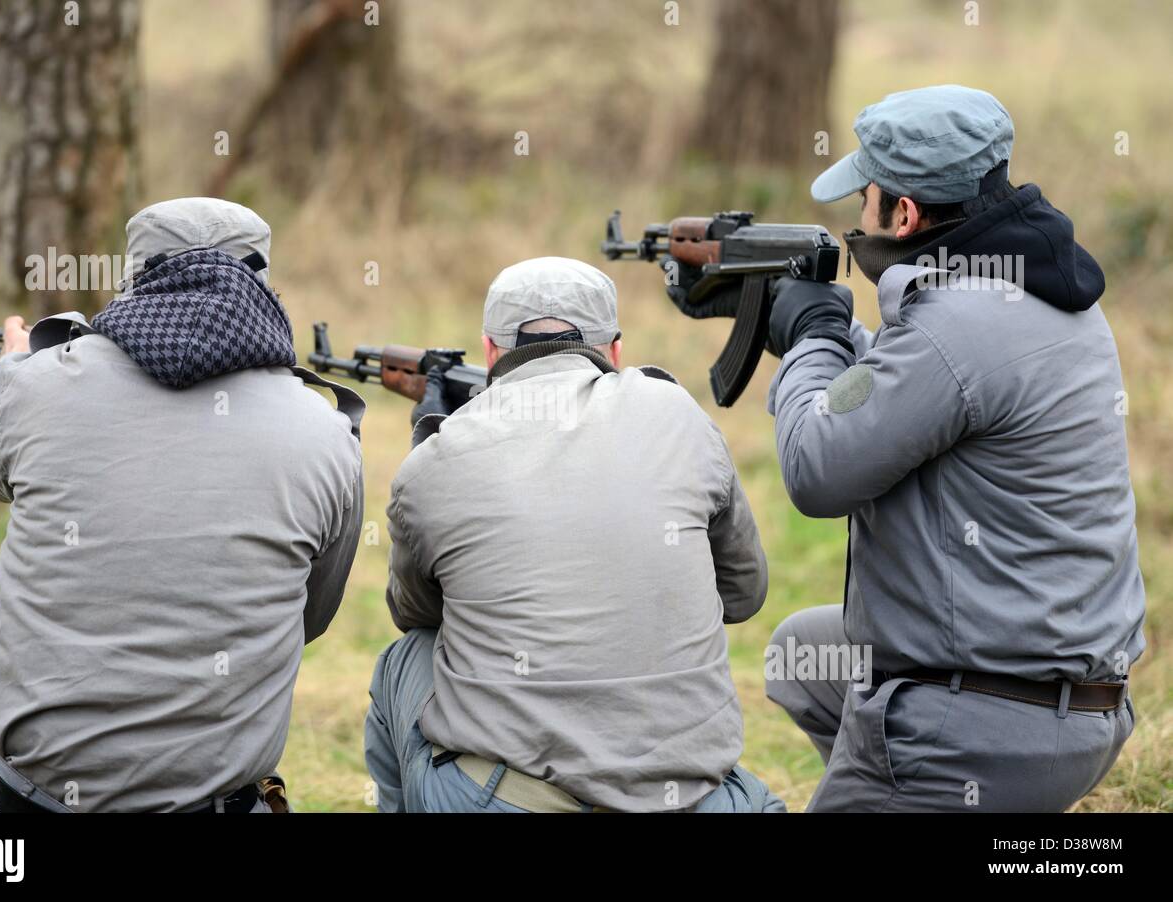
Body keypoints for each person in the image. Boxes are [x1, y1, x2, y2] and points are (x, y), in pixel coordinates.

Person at [753, 85, 1143, 811]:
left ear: (903, 214)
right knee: (803, 655)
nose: (855, 220)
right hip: (1074, 700)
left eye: (864, 198)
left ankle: (908, 784)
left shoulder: (952, 325)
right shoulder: (1038, 290)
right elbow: (923, 391)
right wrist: (830, 340)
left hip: (985, 726)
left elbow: (816, 472)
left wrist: (812, 339)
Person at [0, 197, 365, 812]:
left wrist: (4, 371)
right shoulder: (326, 434)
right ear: (264, 281)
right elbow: (309, 620)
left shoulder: (39, 386)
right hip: (211, 803)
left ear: (134, 277)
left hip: (26, 804)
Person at [363, 256, 783, 812]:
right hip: (692, 798)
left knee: (404, 659)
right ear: (615, 349)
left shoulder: (436, 460)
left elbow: (415, 613)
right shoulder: (679, 415)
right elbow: (745, 594)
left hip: (514, 800)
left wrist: (437, 446)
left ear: (489, 352)